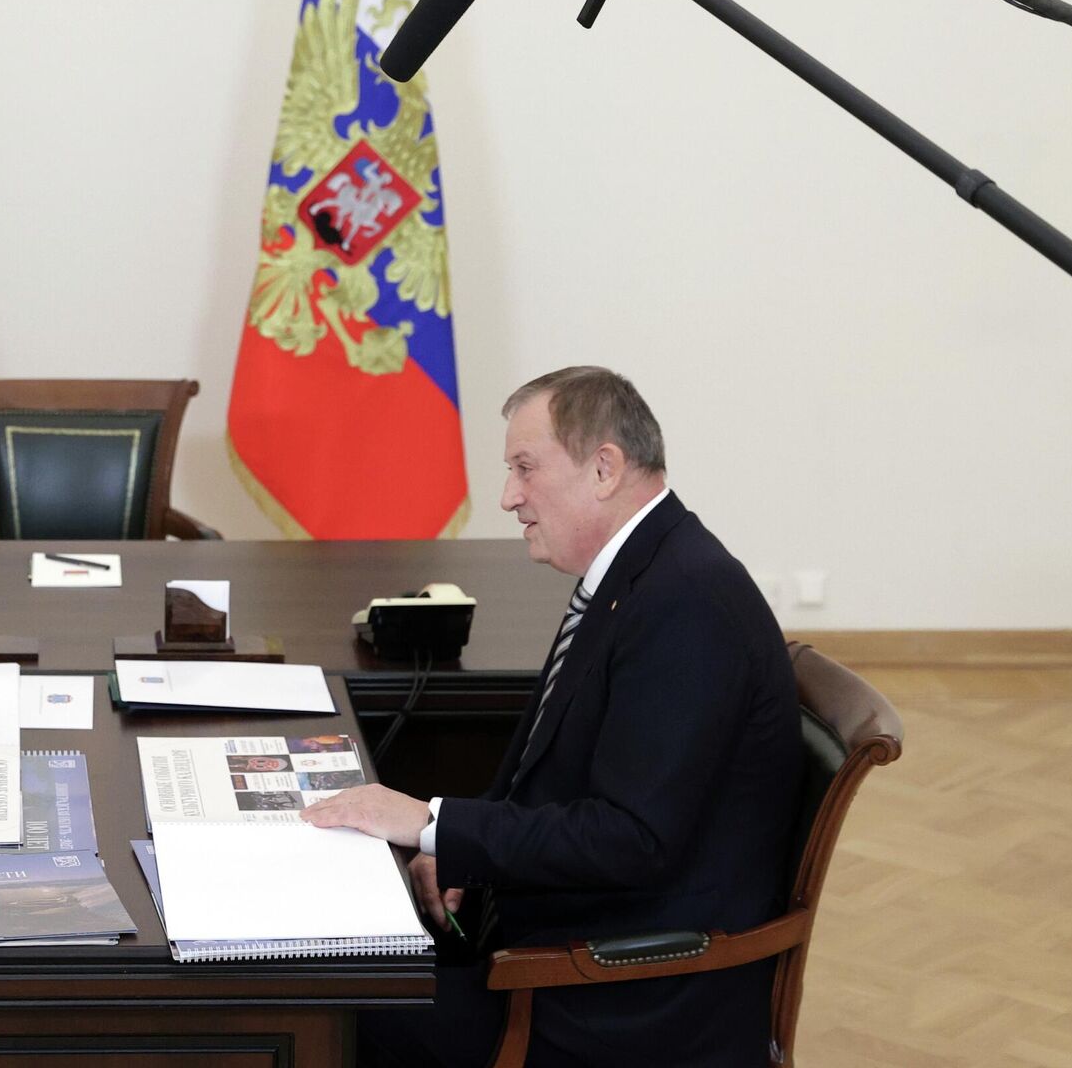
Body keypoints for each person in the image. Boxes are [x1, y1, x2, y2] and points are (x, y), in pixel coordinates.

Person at [303, 367, 801, 1067]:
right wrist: (458, 851)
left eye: (525, 468)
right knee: (329, 959)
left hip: (619, 995)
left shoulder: (688, 604)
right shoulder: (640, 575)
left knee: (316, 1006)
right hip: (559, 940)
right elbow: (552, 779)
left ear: (604, 469)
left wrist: (431, 820)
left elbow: (630, 838)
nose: (509, 496)